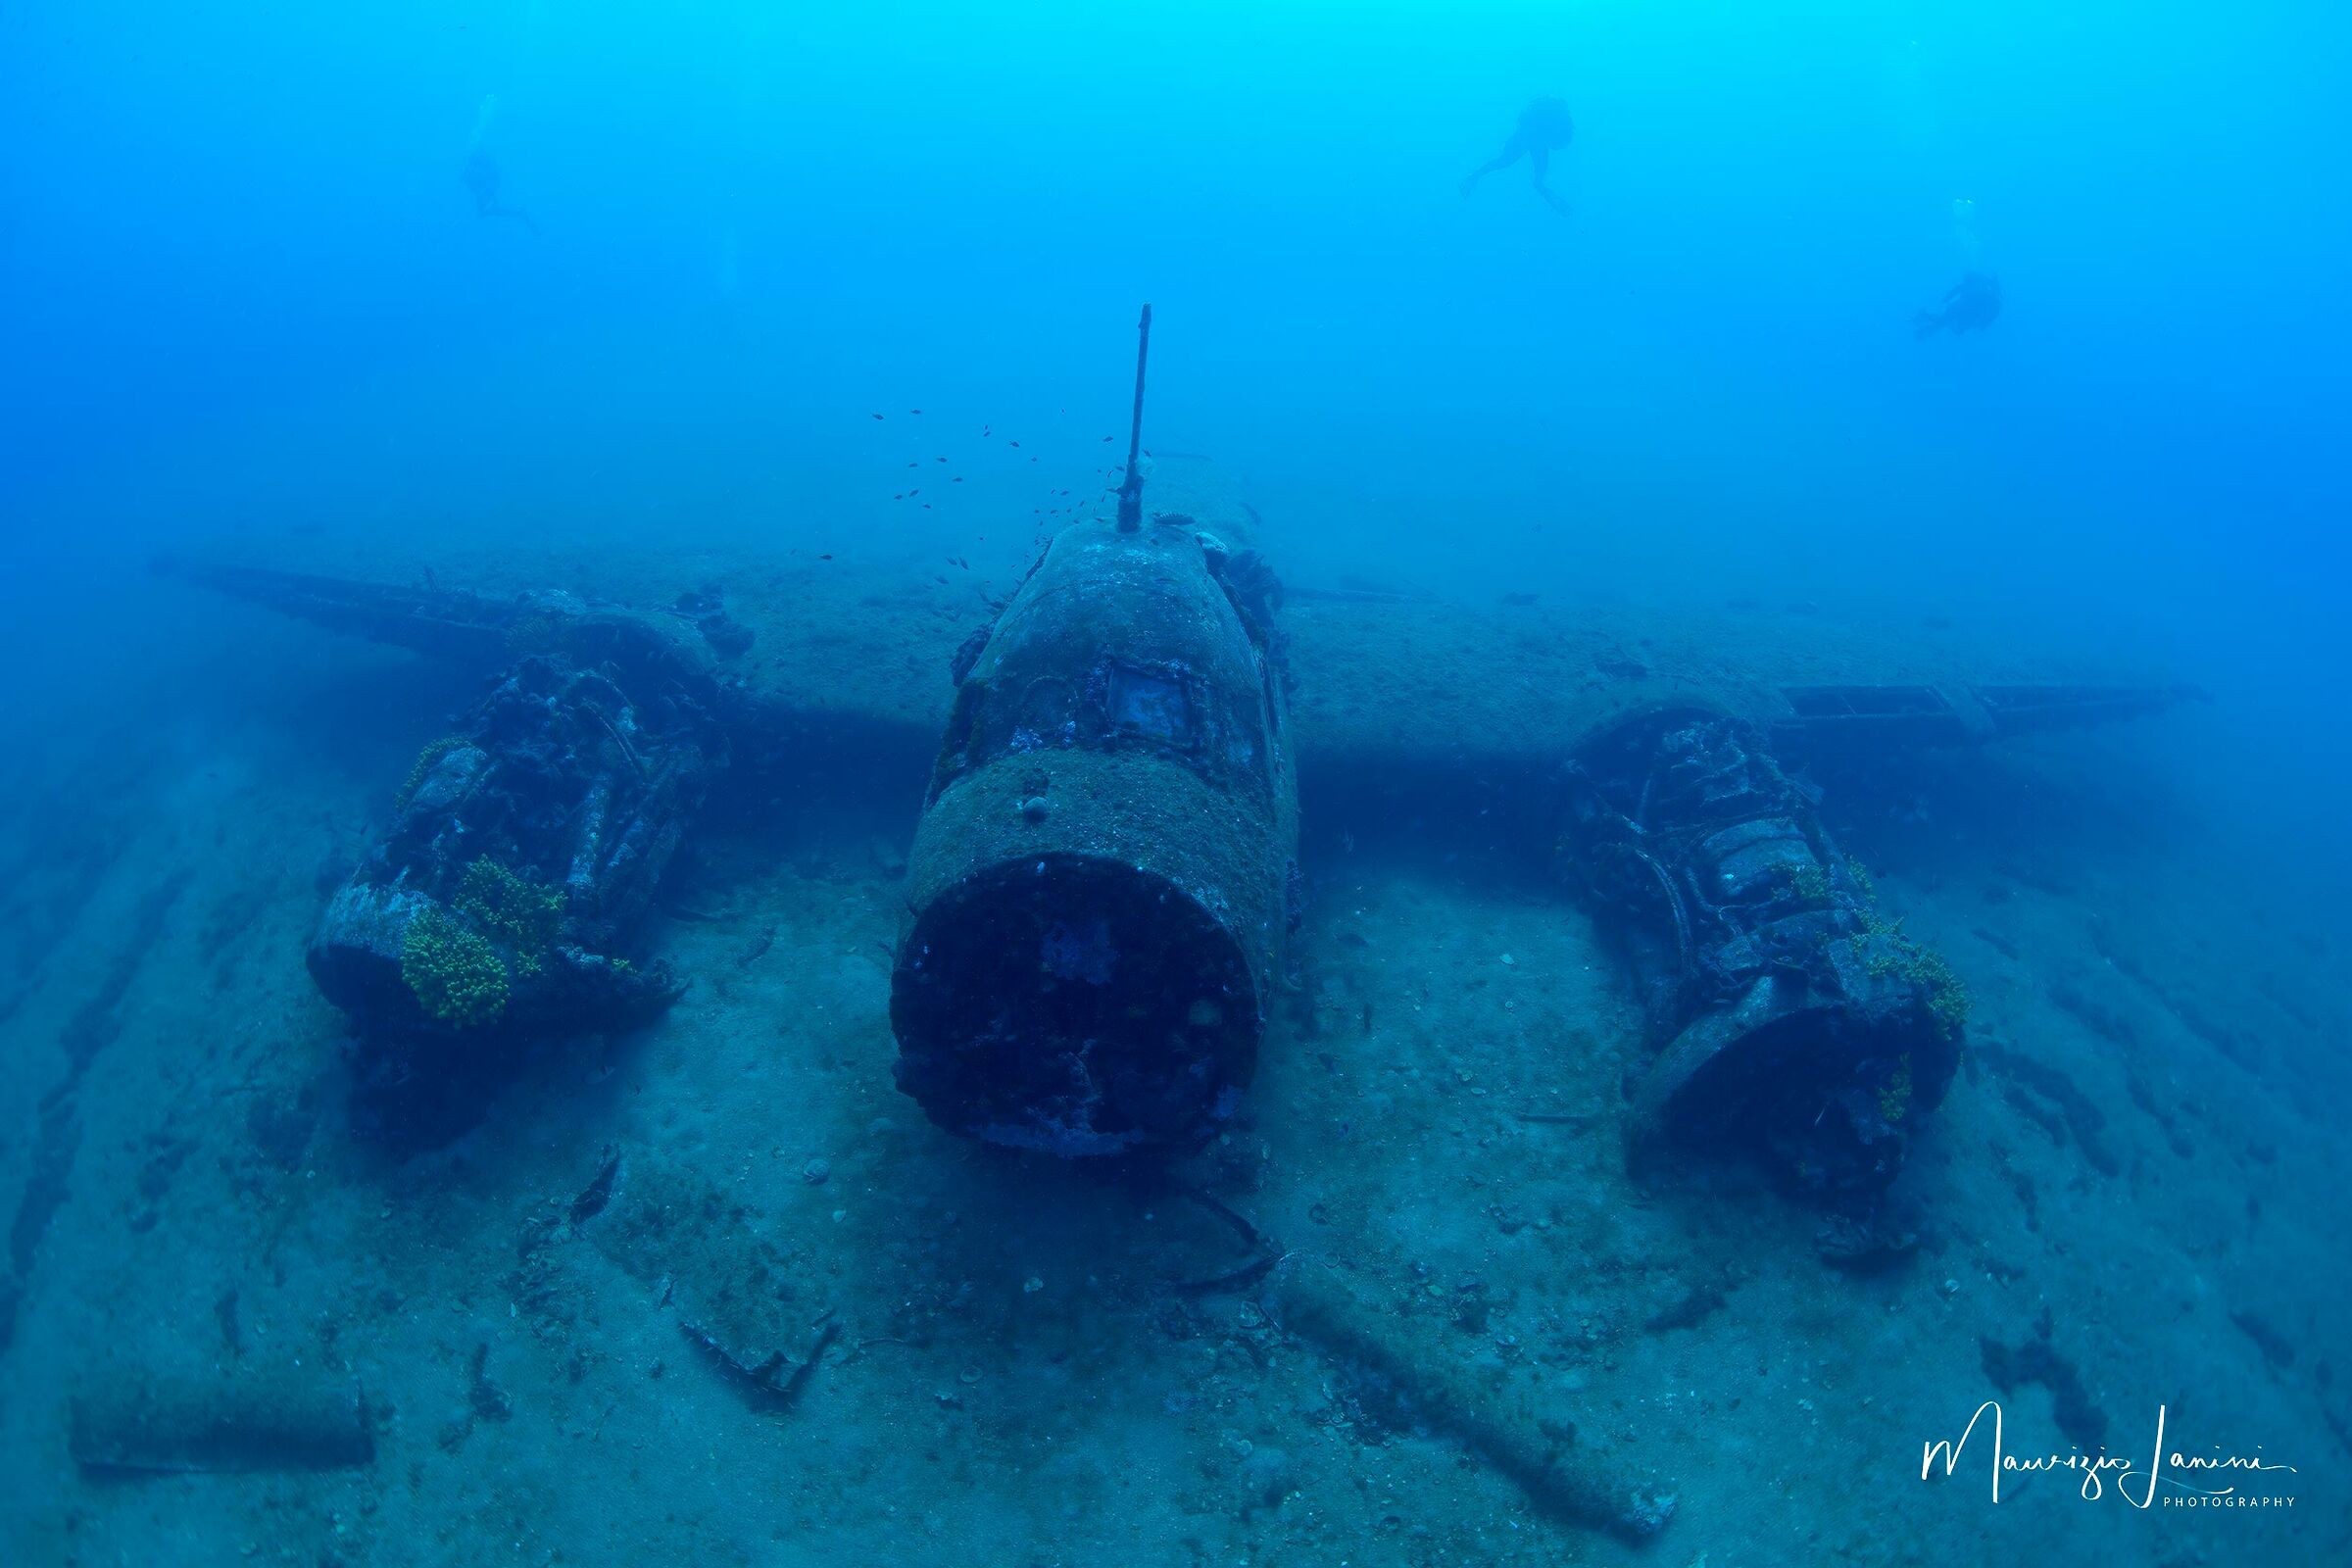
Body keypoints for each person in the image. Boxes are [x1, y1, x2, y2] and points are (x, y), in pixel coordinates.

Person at [1460, 96, 1575, 217]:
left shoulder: (1547, 125)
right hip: (1531, 137)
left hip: (1531, 137)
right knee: (1509, 163)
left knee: (1505, 161)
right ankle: (1475, 175)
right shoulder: (1553, 124)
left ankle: (1475, 175)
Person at [463, 150, 538, 234]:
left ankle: (519, 212)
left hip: (486, 190)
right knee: (486, 212)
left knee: (486, 211)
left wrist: (485, 190)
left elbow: (469, 179)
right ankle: (518, 212)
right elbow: (470, 179)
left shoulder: (476, 166)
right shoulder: (481, 165)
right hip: (486, 190)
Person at [1914, 271, 2001, 338]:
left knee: (1949, 325)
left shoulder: (1981, 289)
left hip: (1961, 310)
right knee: (1949, 325)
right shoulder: (1989, 293)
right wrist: (1984, 323)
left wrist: (1945, 300)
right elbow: (1993, 312)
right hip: (1965, 311)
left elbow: (1956, 290)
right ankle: (1925, 319)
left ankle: (1924, 327)